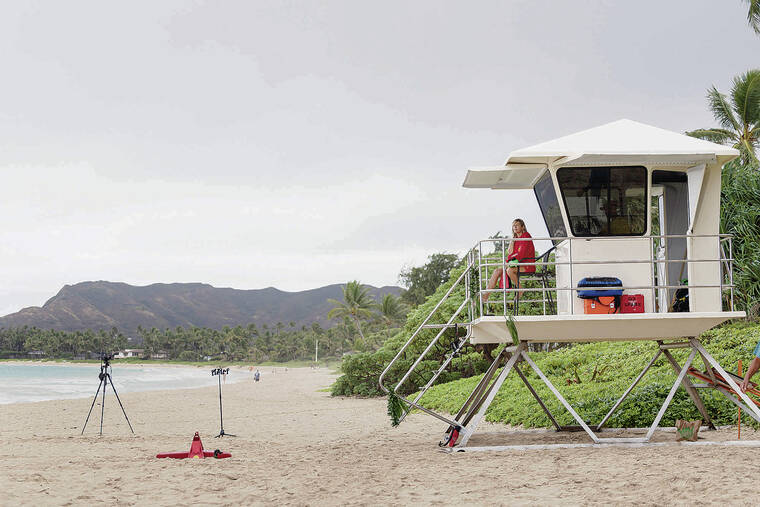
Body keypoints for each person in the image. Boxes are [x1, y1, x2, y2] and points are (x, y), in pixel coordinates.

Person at [482, 218, 535, 302]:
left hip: (527, 265)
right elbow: (511, 255)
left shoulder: (526, 236)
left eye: (517, 225)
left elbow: (521, 254)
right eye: (513, 226)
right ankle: (485, 296)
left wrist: (508, 263)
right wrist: (511, 243)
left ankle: (520, 289)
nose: (514, 227)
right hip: (516, 264)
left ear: (522, 227)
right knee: (497, 271)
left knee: (509, 270)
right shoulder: (515, 239)